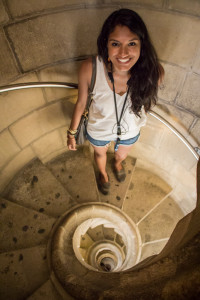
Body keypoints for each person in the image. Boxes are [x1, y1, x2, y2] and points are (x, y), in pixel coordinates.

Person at [67, 8, 164, 195]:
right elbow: (80, 103)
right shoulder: (90, 68)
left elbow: (144, 102)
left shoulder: (153, 73)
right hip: (98, 129)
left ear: (142, 45)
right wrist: (72, 133)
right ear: (106, 44)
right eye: (115, 43)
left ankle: (118, 164)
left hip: (130, 130)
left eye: (132, 43)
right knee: (100, 154)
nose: (123, 53)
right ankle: (103, 174)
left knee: (121, 155)